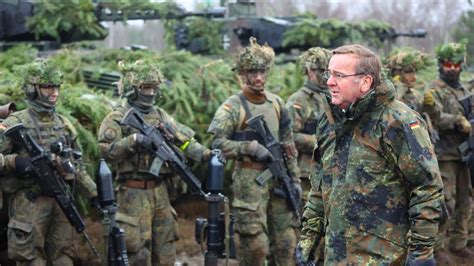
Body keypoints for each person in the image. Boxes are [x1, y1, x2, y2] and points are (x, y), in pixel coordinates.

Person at [298, 44, 443, 264]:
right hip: (337, 256)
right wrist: (308, 238)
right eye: (329, 73)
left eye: (339, 75)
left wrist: (421, 252)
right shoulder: (329, 123)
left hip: (384, 257)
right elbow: (319, 188)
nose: (329, 81)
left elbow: (427, 187)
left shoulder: (396, 122)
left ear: (365, 82)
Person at [98, 59, 213, 265]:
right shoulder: (118, 118)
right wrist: (133, 140)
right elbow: (106, 152)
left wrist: (207, 155)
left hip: (160, 193)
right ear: (132, 88)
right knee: (137, 252)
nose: (150, 93)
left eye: (153, 87)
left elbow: (184, 141)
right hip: (132, 193)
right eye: (145, 87)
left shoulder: (161, 116)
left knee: (165, 250)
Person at [207, 37, 301, 265]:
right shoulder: (233, 106)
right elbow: (217, 144)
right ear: (242, 74)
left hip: (280, 181)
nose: (258, 77)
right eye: (252, 72)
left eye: (262, 71)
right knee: (255, 246)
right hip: (249, 182)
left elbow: (288, 146)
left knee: (287, 244)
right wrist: (248, 147)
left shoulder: (277, 104)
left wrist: (295, 180)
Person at [0, 60, 98, 265]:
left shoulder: (63, 124)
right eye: (47, 87)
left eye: (56, 87)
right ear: (32, 89)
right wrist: (14, 161)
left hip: (61, 201)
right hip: (29, 202)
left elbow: (77, 164)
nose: (54, 92)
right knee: (30, 260)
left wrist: (93, 193)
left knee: (64, 258)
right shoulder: (14, 124)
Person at [422, 41, 473, 261]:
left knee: (466, 199)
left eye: (456, 64)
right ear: (441, 65)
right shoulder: (434, 90)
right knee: (445, 202)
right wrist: (457, 121)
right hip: (444, 154)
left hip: (465, 154)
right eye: (448, 64)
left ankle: (459, 242)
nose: (452, 68)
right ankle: (438, 247)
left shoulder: (464, 89)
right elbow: (434, 118)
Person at [286, 47, 331, 205]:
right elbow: (289, 137)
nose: (326, 76)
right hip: (307, 171)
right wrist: (319, 142)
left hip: (332, 170)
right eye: (321, 71)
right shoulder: (299, 100)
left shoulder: (335, 96)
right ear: (309, 71)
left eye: (329, 71)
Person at [385, 47, 430, 111]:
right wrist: (399, 89)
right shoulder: (386, 96)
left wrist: (430, 107)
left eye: (414, 72)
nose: (414, 77)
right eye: (408, 72)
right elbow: (391, 112)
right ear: (396, 74)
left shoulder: (415, 95)